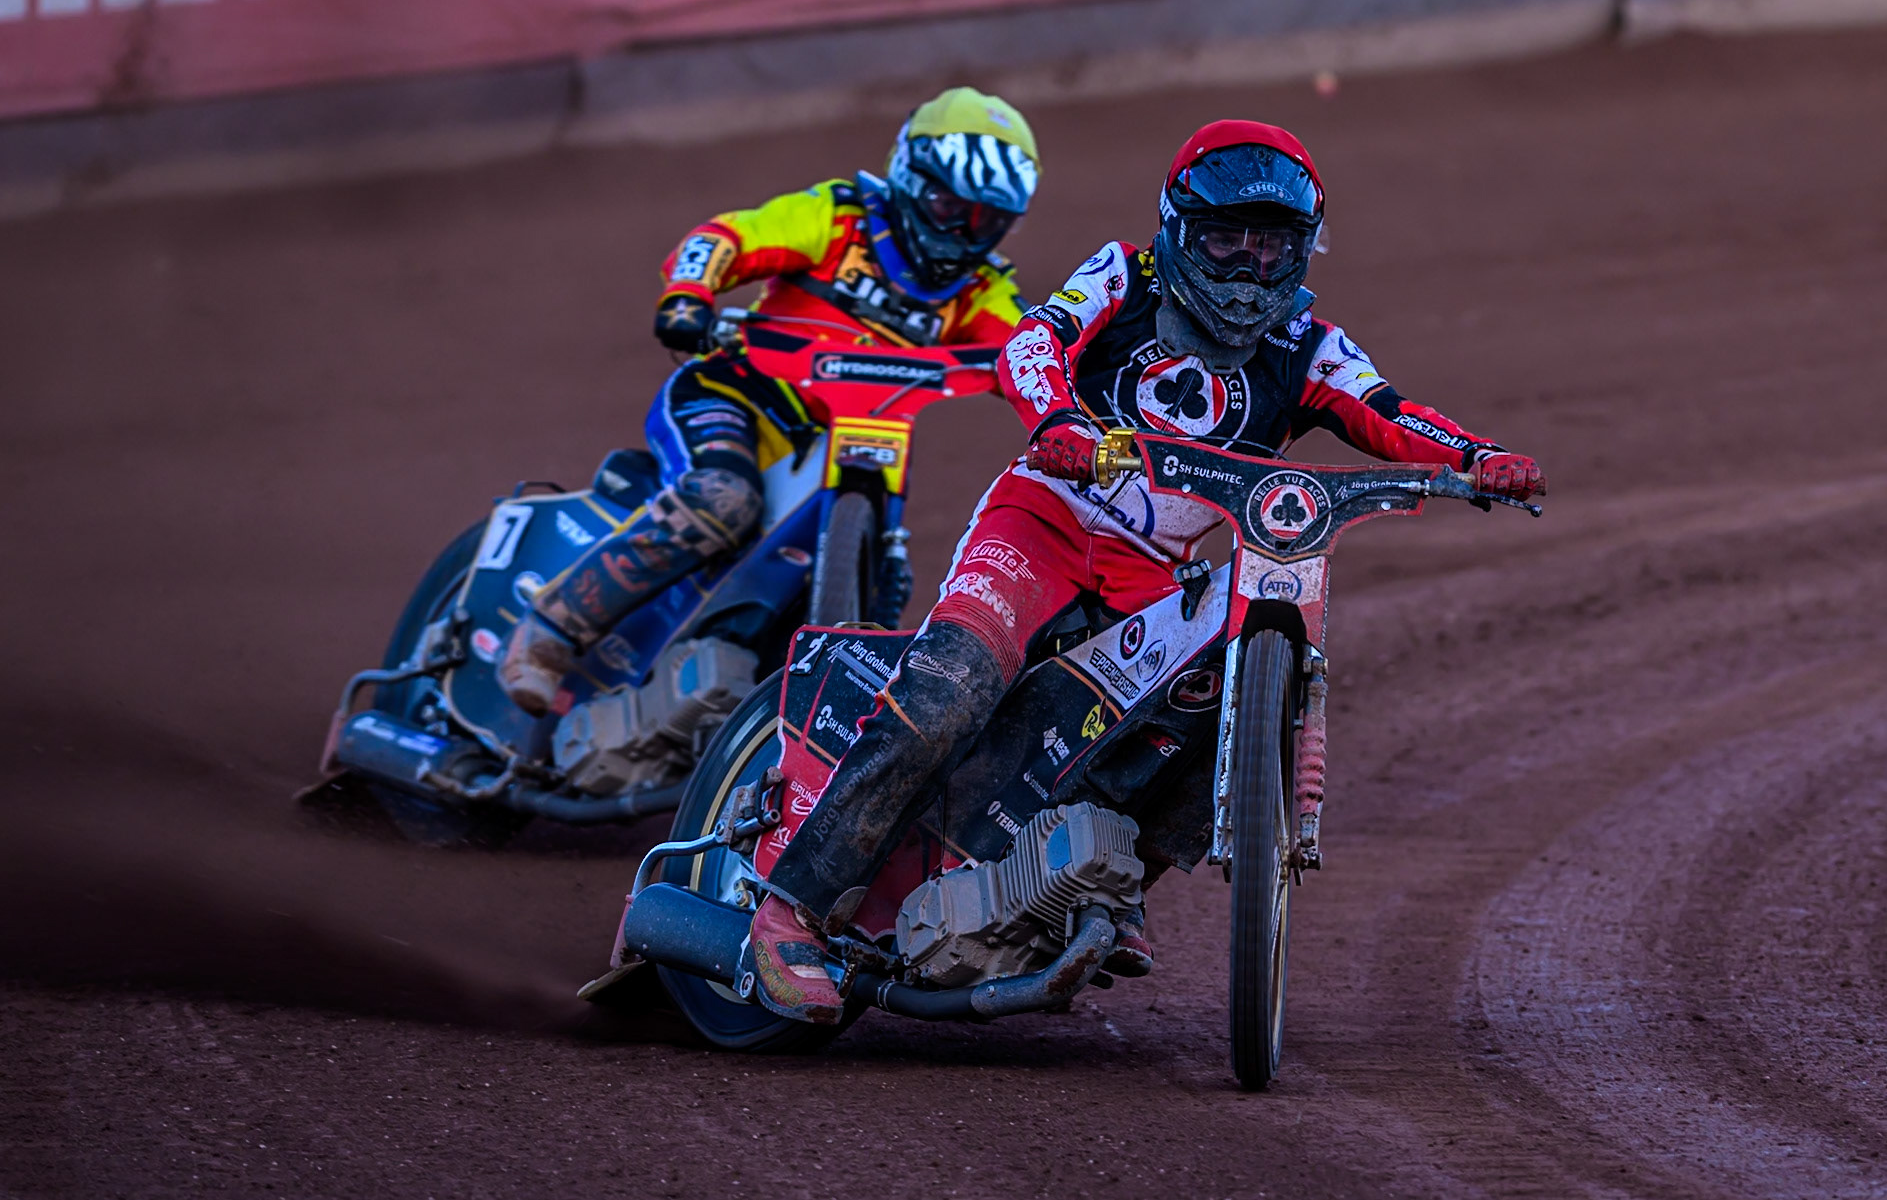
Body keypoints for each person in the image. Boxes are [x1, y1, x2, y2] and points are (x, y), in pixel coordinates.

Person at [746, 119, 1548, 1024]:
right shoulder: (1123, 275)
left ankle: (1115, 878)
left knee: (1221, 702)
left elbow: (1387, 411)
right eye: (1224, 240)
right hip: (1043, 522)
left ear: (1303, 251)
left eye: (1271, 245)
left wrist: (1480, 457)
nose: (1247, 269)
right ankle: (791, 913)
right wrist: (1055, 421)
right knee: (952, 687)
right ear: (1176, 227)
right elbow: (1029, 344)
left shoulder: (1310, 345)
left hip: (1153, 572)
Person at [497, 88, 1042, 715]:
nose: (961, 234)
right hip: (736, 396)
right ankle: (548, 634)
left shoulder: (980, 291)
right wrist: (689, 294)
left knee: (889, 579)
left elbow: (1034, 348)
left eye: (986, 221)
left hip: (845, 448)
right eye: (950, 205)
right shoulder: (840, 219)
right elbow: (731, 236)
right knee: (722, 500)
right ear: (909, 176)